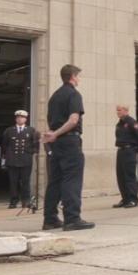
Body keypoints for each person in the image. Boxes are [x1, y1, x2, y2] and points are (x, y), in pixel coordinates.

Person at [42, 64, 94, 231]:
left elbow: (52, 120)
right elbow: (73, 120)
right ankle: (72, 219)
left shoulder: (55, 96)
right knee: (72, 179)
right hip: (69, 141)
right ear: (72, 77)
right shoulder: (74, 94)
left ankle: (50, 219)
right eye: (78, 76)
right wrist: (57, 133)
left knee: (55, 181)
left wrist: (53, 134)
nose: (79, 80)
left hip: (56, 144)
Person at [1, 110, 40, 209]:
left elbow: (36, 145)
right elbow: (4, 145)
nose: (20, 119)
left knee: (25, 181)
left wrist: (30, 152)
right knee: (13, 182)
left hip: (25, 159)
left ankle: (25, 201)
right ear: (16, 119)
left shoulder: (31, 130)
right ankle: (13, 201)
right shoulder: (9, 130)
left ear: (25, 119)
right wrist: (6, 156)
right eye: (18, 117)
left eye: (22, 117)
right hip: (12, 160)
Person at [113, 105, 138, 208]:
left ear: (126, 111)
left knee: (129, 176)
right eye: (117, 110)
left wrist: (136, 149)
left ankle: (133, 199)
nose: (117, 112)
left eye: (119, 110)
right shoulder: (119, 124)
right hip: (121, 151)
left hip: (129, 151)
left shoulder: (131, 122)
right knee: (121, 176)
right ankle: (125, 199)